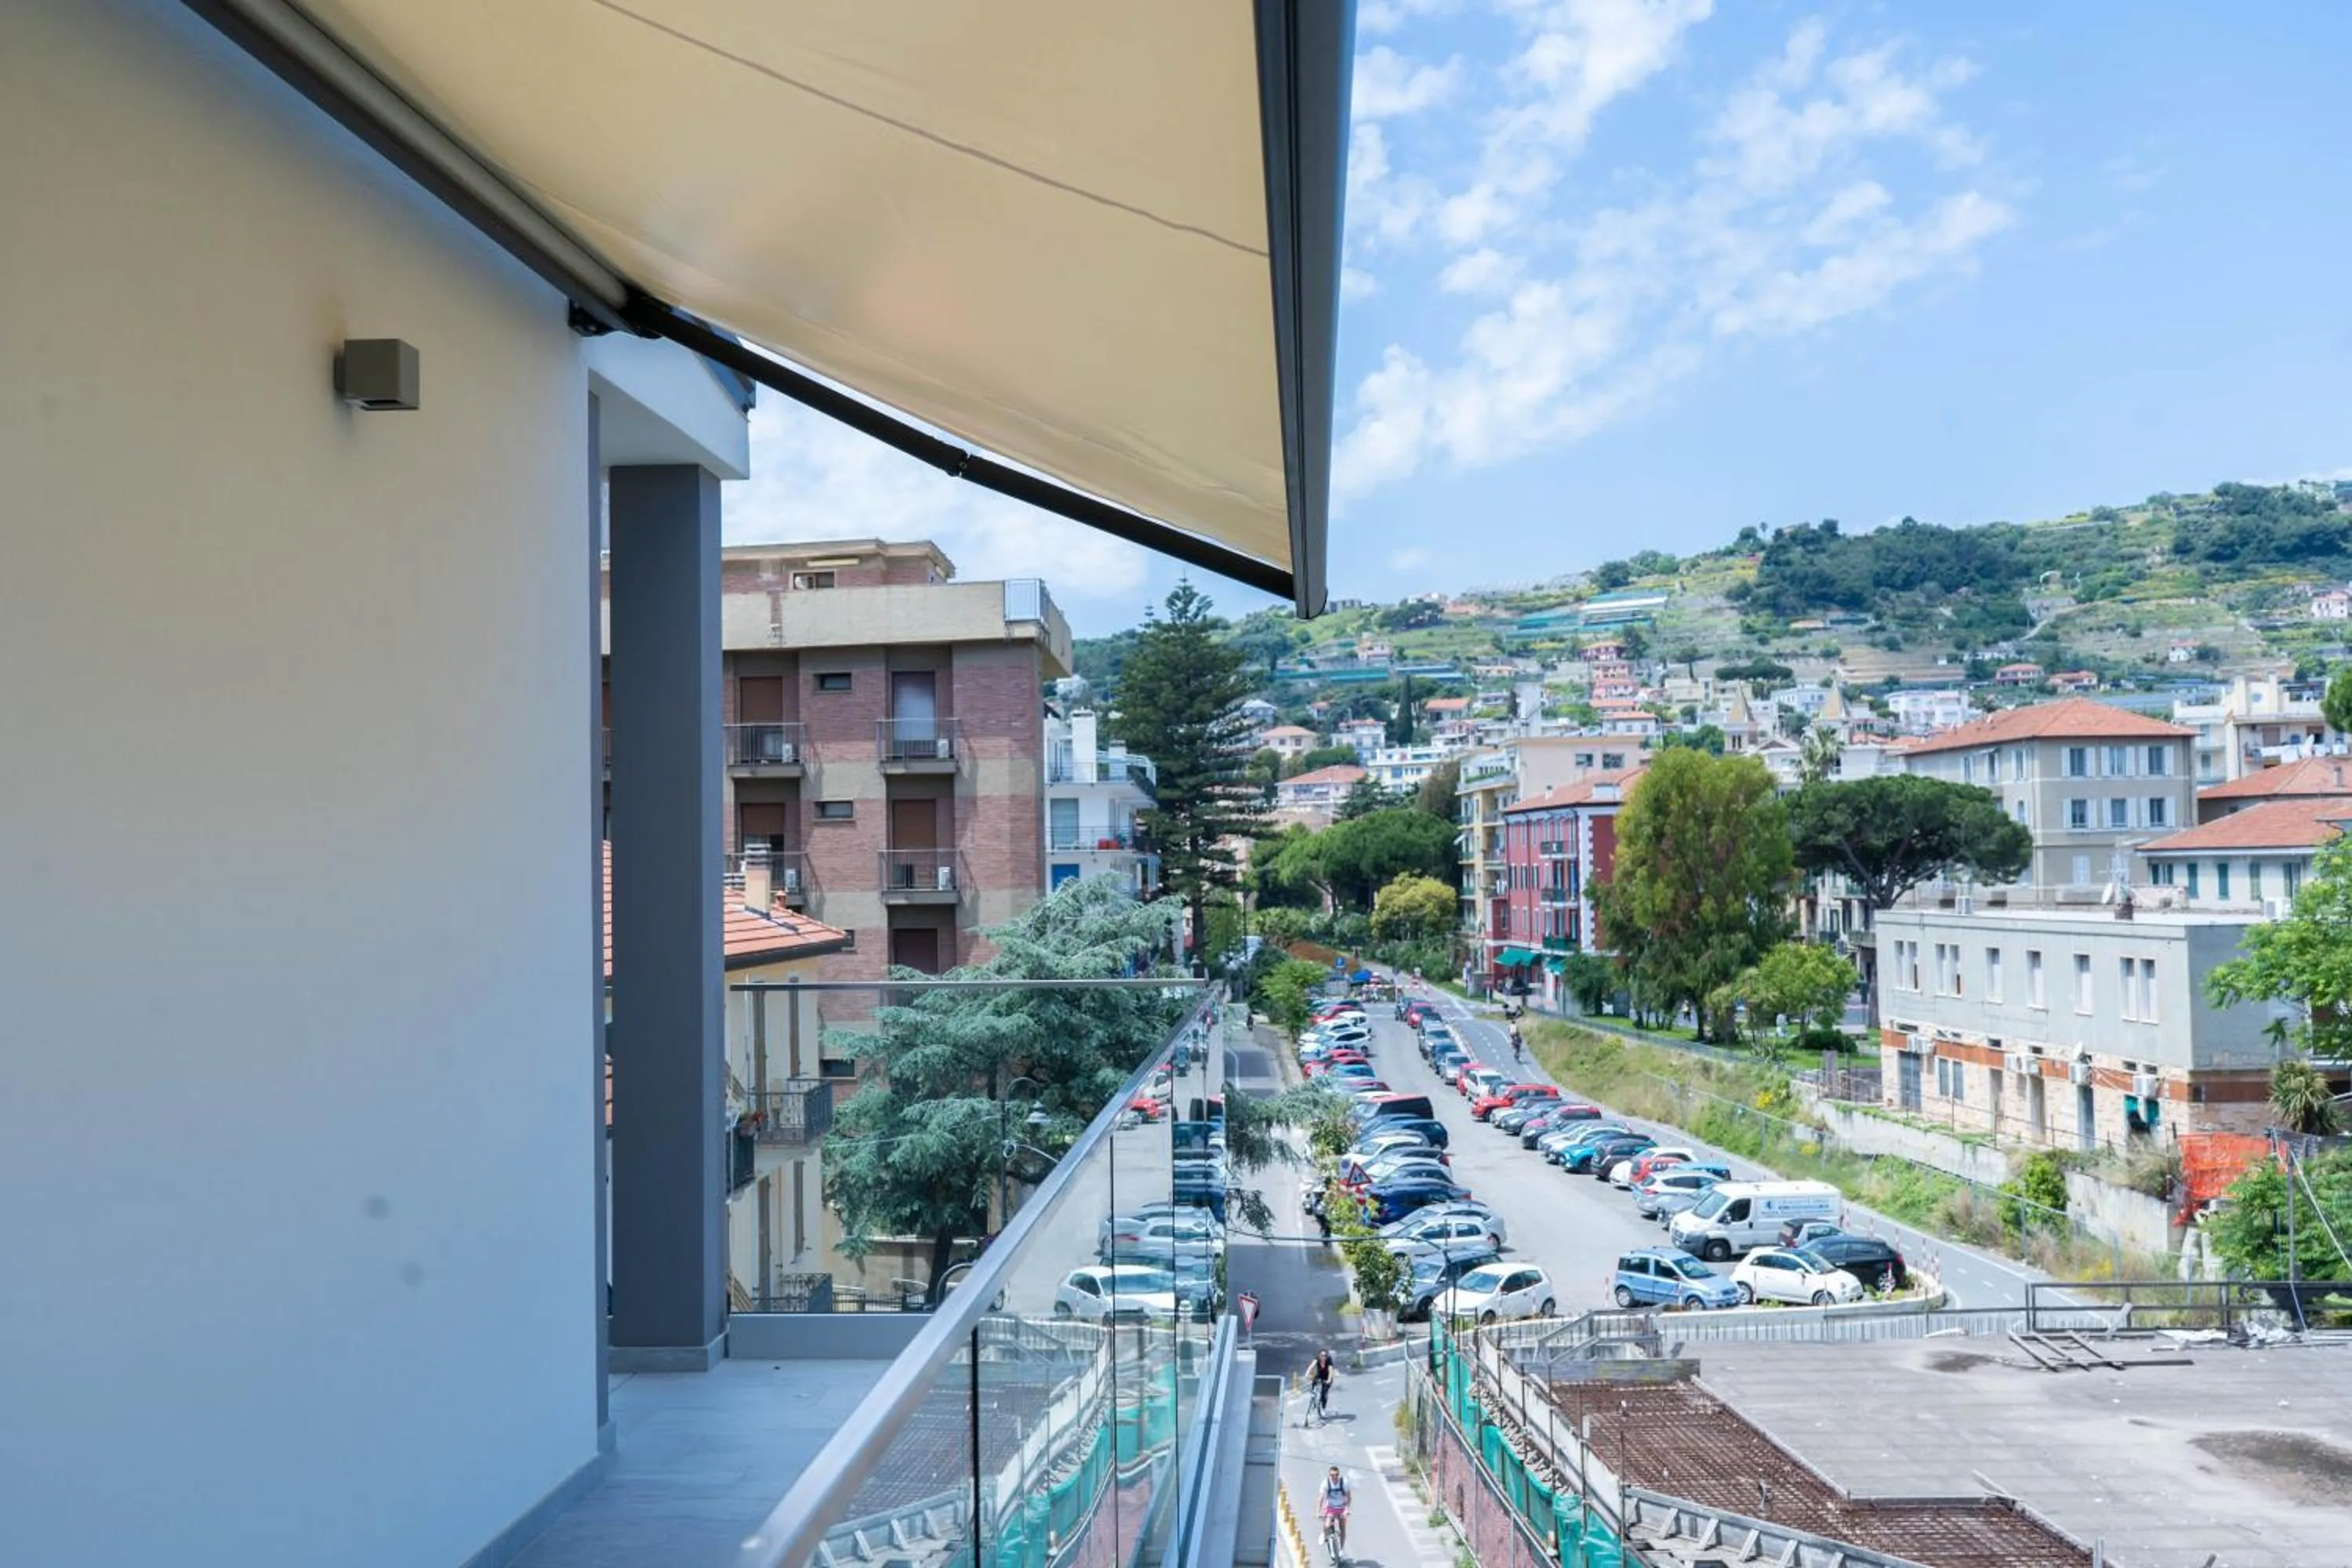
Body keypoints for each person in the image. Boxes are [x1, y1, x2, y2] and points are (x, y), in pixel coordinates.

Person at [1319, 1465, 1352, 1555]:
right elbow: (1321, 1498)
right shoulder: (1325, 1483)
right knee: (1327, 1524)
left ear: (1339, 1474)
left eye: (1336, 1475)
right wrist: (1319, 1510)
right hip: (1331, 1508)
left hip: (1341, 1507)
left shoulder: (1344, 1482)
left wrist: (1347, 1509)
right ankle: (1324, 1534)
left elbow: (1349, 1497)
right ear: (1329, 1475)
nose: (1334, 1477)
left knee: (1342, 1528)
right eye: (1332, 1475)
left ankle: (1341, 1549)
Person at [1307, 1348, 1336, 1420]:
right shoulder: (1317, 1359)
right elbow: (1311, 1367)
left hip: (1327, 1378)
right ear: (1319, 1356)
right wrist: (1307, 1374)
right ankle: (1313, 1393)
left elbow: (1330, 1371)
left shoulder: (1329, 1360)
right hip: (1320, 1375)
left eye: (1325, 1356)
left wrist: (1329, 1380)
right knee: (1314, 1380)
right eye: (1322, 1355)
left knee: (1324, 1394)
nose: (1323, 1357)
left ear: (1327, 1356)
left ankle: (1323, 1409)